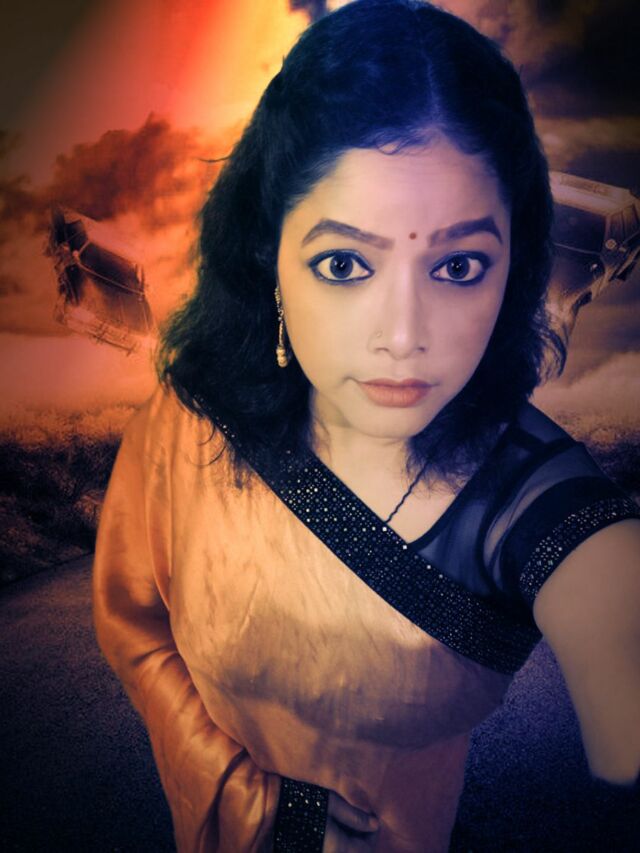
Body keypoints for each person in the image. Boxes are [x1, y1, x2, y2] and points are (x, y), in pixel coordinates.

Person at [92, 1, 640, 850]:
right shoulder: (187, 423)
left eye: (459, 265)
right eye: (344, 263)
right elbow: (133, 625)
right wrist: (258, 803)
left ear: (515, 271)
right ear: (268, 258)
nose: (403, 334)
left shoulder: (538, 501)